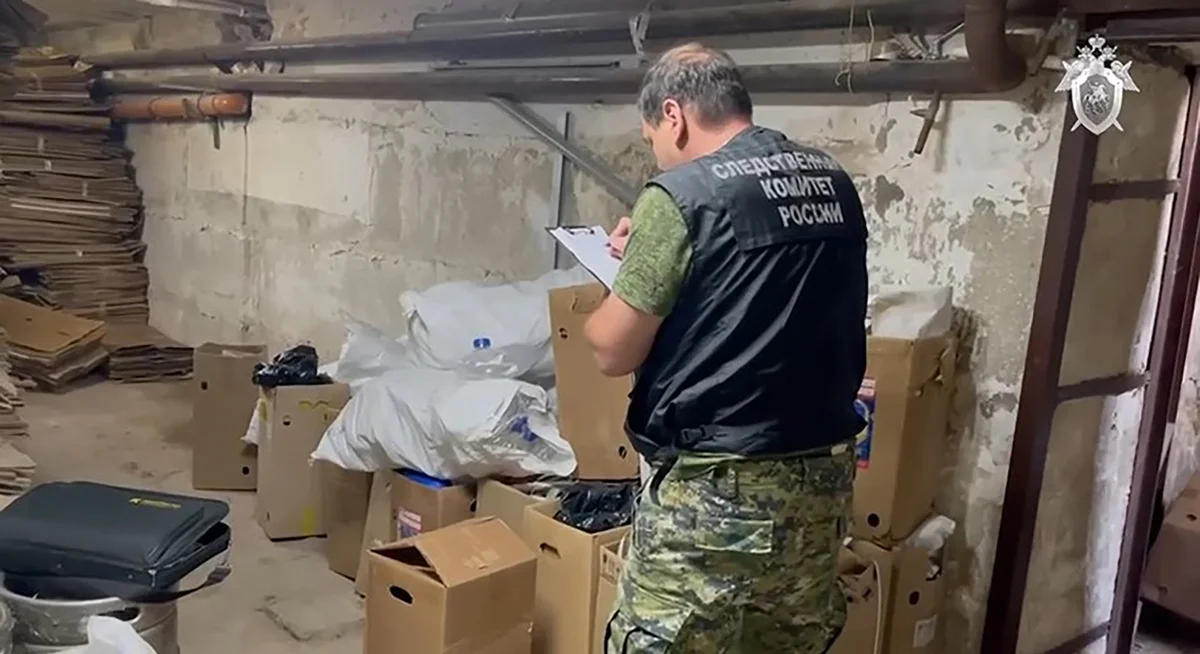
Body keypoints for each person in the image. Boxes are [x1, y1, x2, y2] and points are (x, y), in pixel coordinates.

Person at [582, 42, 869, 654]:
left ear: (674, 115)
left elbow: (612, 350)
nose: (658, 154)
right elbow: (751, 294)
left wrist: (628, 273)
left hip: (714, 497)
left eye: (652, 139)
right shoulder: (832, 182)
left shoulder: (682, 193)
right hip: (818, 490)